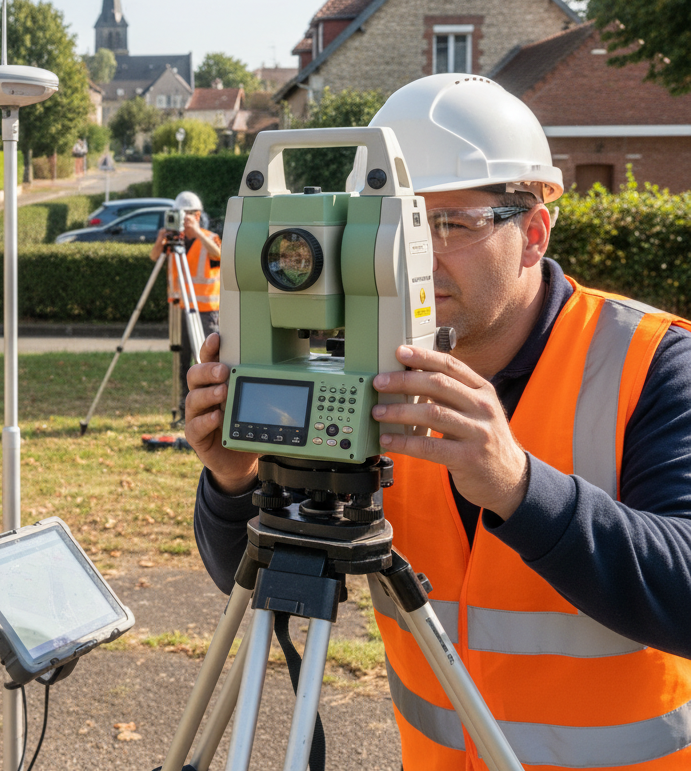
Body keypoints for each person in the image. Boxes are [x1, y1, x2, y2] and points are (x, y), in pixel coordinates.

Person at [185, 73, 691, 769]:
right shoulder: (353, 367)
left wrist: (518, 487)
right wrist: (233, 477)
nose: (415, 255)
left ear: (534, 232)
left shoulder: (652, 363)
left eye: (449, 224)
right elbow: (247, 581)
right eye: (397, 225)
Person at [151, 190, 221, 420]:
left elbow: (220, 256)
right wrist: (161, 239)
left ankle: (210, 408)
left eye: (186, 215)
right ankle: (183, 406)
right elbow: (154, 257)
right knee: (181, 359)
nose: (182, 219)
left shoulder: (210, 237)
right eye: (178, 215)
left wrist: (198, 233)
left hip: (205, 310)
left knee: (204, 360)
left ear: (197, 215)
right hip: (179, 308)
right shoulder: (174, 240)